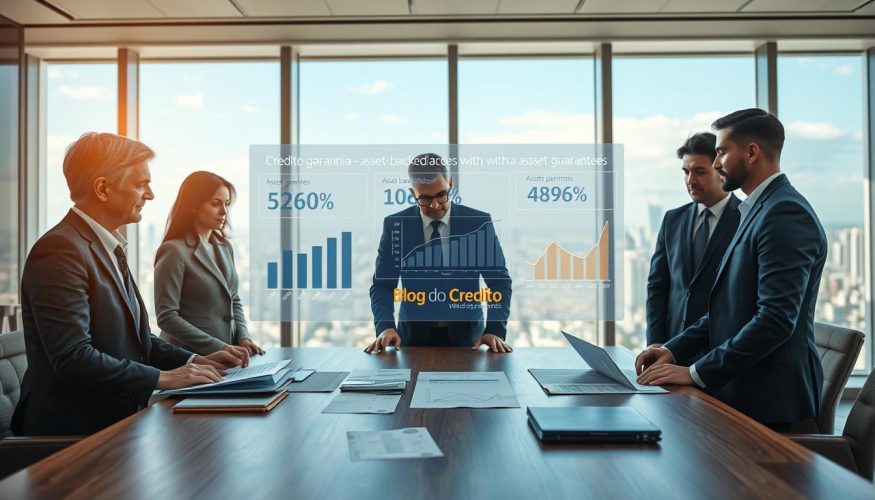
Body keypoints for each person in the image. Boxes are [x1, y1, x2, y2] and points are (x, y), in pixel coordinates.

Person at [12, 133, 246, 436]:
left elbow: (137, 341)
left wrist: (195, 360)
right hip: (75, 430)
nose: (150, 195)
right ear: (103, 189)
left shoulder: (105, 246)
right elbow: (73, 358)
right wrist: (161, 378)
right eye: (140, 184)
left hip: (119, 419)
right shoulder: (61, 250)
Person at [636, 109, 826, 431]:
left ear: (751, 153)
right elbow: (729, 309)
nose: (716, 163)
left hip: (770, 402)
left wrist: (694, 372)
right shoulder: (758, 209)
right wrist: (672, 349)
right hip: (742, 389)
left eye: (722, 152)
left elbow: (775, 320)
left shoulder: (784, 213)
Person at [367, 153, 513, 353]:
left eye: (441, 195)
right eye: (425, 198)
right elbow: (383, 285)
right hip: (412, 341)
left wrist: (495, 329)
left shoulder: (477, 223)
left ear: (451, 183)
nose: (435, 205)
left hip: (468, 340)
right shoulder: (396, 225)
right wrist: (386, 327)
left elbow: (499, 282)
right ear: (413, 193)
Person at [646, 133, 741, 349]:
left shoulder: (747, 219)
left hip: (720, 351)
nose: (690, 180)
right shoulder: (673, 220)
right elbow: (657, 287)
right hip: (669, 348)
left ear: (721, 171)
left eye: (699, 171)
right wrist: (655, 342)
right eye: (686, 172)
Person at [154, 171, 264, 356]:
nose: (224, 212)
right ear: (193, 206)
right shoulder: (174, 251)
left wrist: (243, 338)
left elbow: (233, 299)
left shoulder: (224, 247)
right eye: (215, 204)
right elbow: (167, 317)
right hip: (188, 358)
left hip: (229, 355)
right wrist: (219, 347)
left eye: (227, 204)